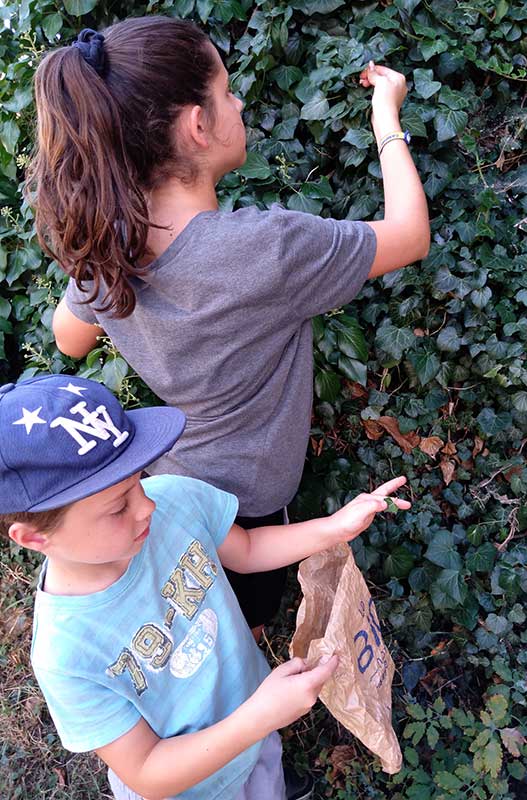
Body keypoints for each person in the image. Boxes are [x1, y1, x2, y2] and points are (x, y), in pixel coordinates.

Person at [27, 17, 430, 637]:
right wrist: (386, 118)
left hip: (165, 487)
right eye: (226, 92)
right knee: (242, 614)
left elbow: (68, 339)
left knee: (190, 609)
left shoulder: (106, 251)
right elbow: (410, 237)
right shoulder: (266, 248)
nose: (238, 103)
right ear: (197, 124)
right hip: (254, 493)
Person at [0, 374, 410, 800]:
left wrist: (334, 527)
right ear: (33, 539)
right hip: (192, 787)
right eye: (119, 506)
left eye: (139, 481)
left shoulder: (174, 500)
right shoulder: (66, 654)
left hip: (255, 729)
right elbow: (145, 769)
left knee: (263, 781)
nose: (147, 506)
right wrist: (260, 714)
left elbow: (248, 549)